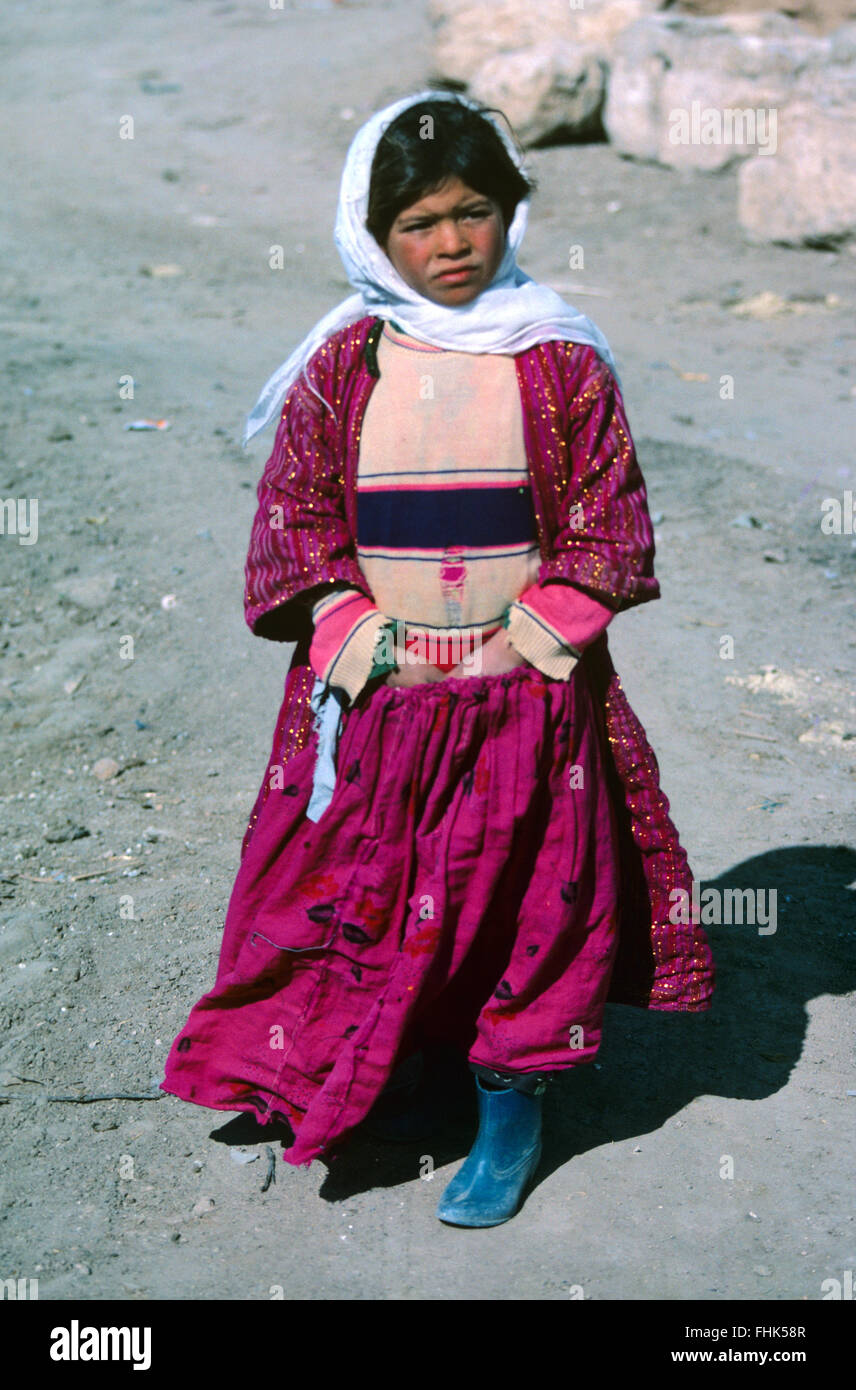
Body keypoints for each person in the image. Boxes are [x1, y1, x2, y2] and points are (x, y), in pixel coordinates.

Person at [161, 91, 715, 1228]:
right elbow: (294, 526)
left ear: (512, 211)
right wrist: (357, 636)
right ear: (372, 232)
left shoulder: (559, 361)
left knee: (526, 903)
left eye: (473, 212)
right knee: (359, 886)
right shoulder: (343, 363)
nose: (450, 243)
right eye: (417, 221)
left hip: (527, 701)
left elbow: (609, 528)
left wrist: (524, 641)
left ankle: (510, 1111)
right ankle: (367, 1065)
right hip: (377, 695)